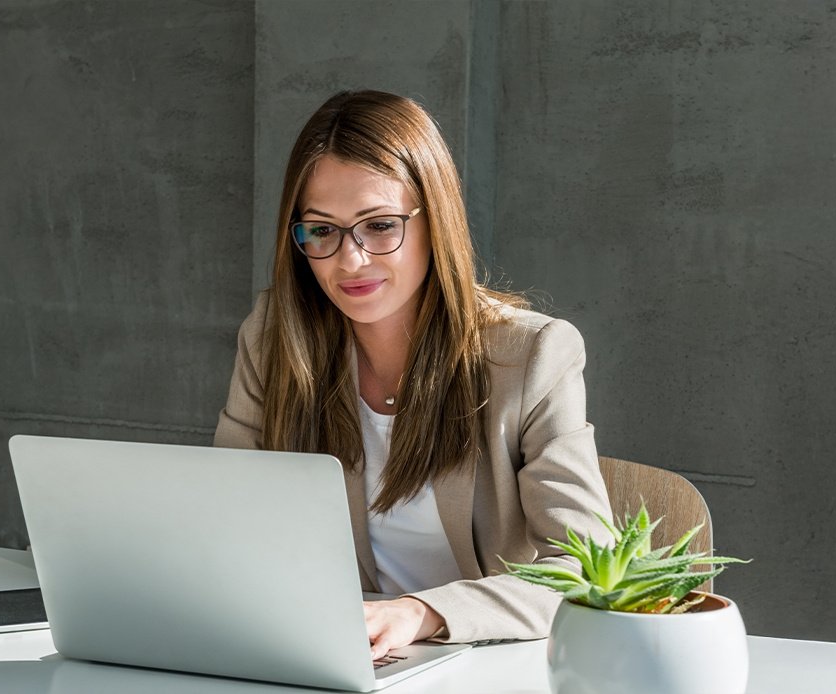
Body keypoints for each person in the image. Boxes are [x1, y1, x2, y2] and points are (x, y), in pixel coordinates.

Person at [213, 90, 613, 659]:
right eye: (321, 231)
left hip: (483, 662)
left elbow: (586, 569)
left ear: (436, 220)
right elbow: (223, 520)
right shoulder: (275, 336)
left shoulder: (531, 355)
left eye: (379, 225)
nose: (350, 261)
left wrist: (422, 612)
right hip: (325, 656)